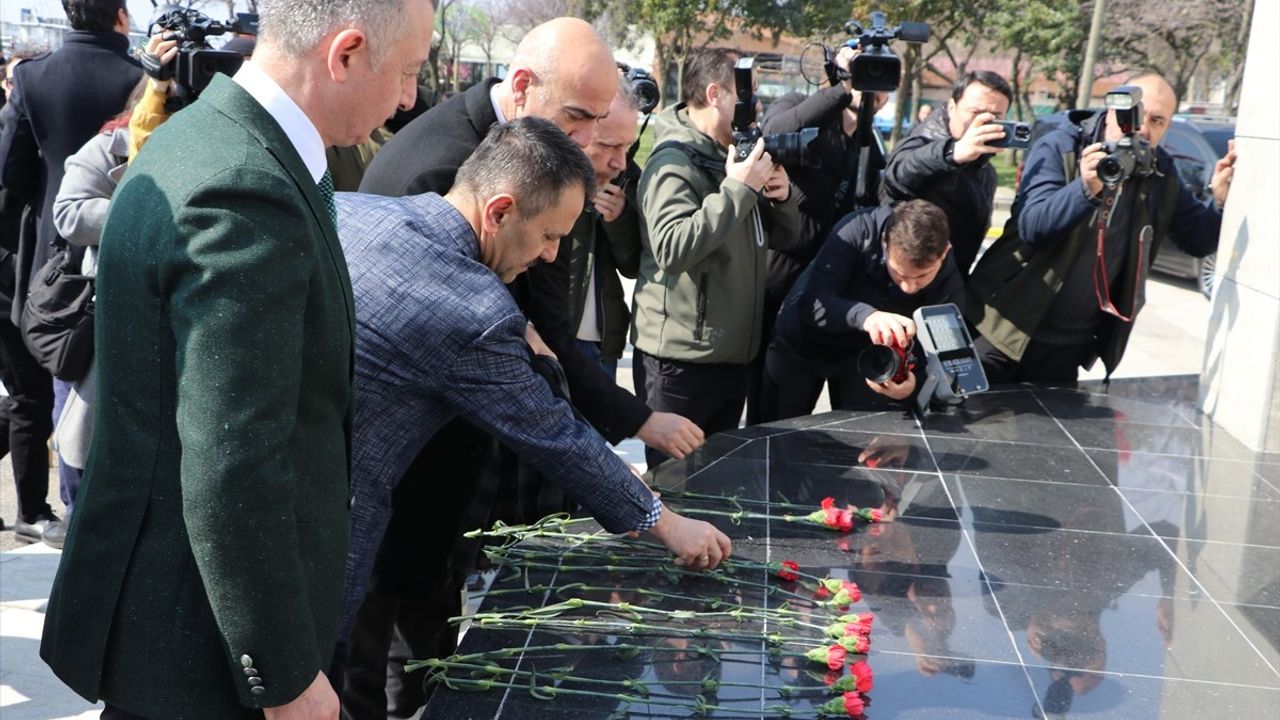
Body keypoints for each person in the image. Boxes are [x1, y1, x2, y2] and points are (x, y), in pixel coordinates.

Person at [39, 0, 435, 717]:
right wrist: (281, 673)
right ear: (344, 54)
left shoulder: (203, 140)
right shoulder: (245, 187)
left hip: (183, 628)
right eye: (407, 72)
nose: (409, 97)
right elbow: (233, 461)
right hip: (199, 651)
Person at [341, 22, 701, 718]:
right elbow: (553, 438)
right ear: (500, 207)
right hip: (351, 520)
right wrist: (660, 520)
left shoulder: (363, 215)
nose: (546, 256)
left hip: (304, 493)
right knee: (356, 678)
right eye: (546, 239)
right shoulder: (471, 303)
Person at [966, 72, 1236, 383]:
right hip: (1001, 330)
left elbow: (1197, 241)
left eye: (1157, 121)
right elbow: (1033, 227)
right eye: (1136, 114)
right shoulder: (1062, 146)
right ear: (1111, 109)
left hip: (1067, 347)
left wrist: (1218, 202)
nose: (1142, 129)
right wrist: (1085, 188)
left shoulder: (1160, 171)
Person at [0, 0, 142, 541]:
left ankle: (53, 509)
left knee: (54, 377)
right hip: (136, 259)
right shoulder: (144, 78)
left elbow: (10, 171)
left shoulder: (34, 77)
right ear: (121, 16)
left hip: (54, 259)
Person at [631, 47, 801, 466]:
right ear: (715, 94)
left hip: (730, 358)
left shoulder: (733, 156)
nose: (757, 106)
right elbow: (671, 248)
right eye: (748, 95)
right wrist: (739, 189)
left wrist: (781, 197)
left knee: (716, 486)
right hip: (680, 363)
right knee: (675, 488)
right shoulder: (672, 162)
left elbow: (787, 237)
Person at [753, 45, 889, 423]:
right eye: (866, 72)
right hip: (777, 280)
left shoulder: (871, 143)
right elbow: (773, 131)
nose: (874, 88)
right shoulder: (802, 105)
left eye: (883, 76)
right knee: (769, 416)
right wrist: (844, 88)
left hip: (827, 288)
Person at [759, 200, 962, 421]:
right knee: (776, 431)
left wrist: (913, 386)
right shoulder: (856, 230)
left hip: (866, 359)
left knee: (863, 440)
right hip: (799, 344)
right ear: (885, 243)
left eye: (922, 277)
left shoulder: (948, 276)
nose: (908, 287)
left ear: (945, 253)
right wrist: (866, 317)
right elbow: (814, 302)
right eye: (900, 274)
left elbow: (949, 357)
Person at [0, 51, 60, 545]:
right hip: (10, 274)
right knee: (28, 398)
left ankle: (31, 509)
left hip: (17, 272)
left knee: (27, 398)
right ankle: (31, 509)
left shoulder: (20, 129)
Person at [882, 71, 1014, 279]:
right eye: (975, 113)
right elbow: (898, 178)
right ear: (952, 107)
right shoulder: (922, 141)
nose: (983, 123)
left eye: (995, 116)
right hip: (902, 282)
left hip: (949, 286)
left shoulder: (986, 171)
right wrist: (953, 154)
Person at [568, 80, 647, 376]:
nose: (621, 161)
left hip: (602, 346)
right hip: (548, 342)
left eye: (626, 146)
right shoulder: (538, 174)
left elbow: (632, 265)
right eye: (609, 146)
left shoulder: (627, 179)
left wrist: (620, 219)